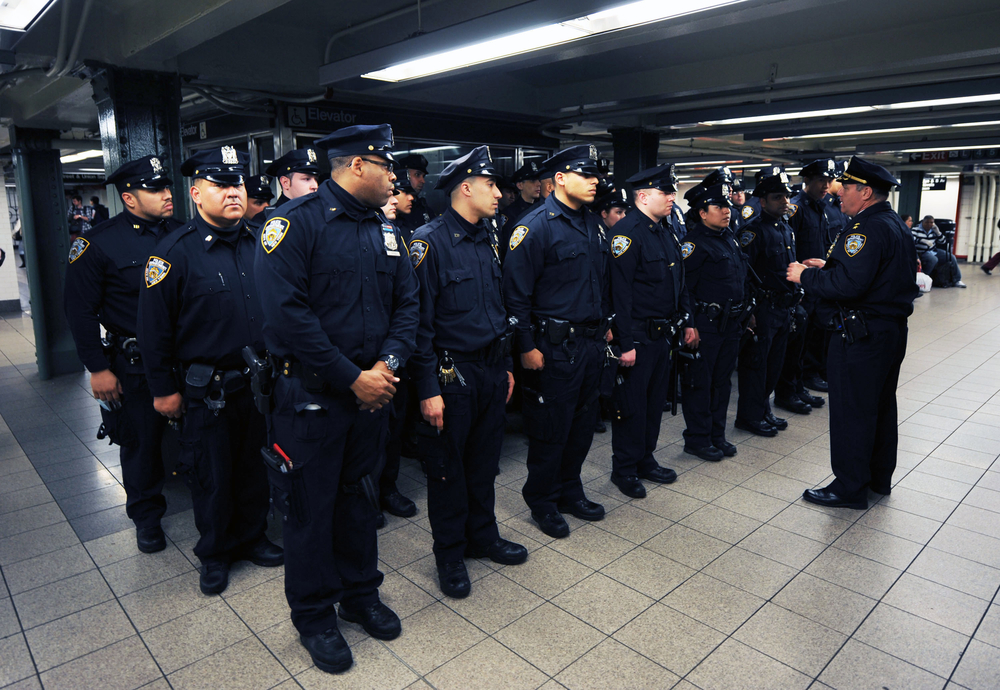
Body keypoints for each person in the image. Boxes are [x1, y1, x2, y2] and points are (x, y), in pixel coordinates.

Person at [254, 124, 419, 674]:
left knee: (359, 500)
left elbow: (407, 306)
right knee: (308, 509)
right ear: (355, 166)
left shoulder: (385, 231)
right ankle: (314, 615)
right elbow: (288, 317)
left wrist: (385, 368)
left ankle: (360, 594)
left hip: (371, 395)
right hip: (312, 398)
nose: (394, 177)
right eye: (387, 166)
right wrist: (353, 376)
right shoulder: (291, 225)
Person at [138, 146, 283, 595]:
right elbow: (153, 331)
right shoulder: (173, 254)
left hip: (260, 384)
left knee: (256, 469)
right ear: (196, 193)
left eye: (238, 183)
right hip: (209, 390)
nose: (234, 192)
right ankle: (216, 552)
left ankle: (253, 537)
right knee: (213, 475)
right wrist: (163, 390)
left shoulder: (264, 240)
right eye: (221, 184)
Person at [408, 146, 526, 598]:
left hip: (493, 368)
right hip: (450, 375)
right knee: (447, 471)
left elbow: (500, 306)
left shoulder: (490, 236)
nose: (499, 193)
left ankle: (483, 536)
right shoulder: (428, 242)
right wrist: (426, 388)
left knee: (483, 464)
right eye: (492, 185)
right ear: (466, 187)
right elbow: (418, 324)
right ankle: (450, 554)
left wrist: (509, 363)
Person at [64, 155, 182, 554]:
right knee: (142, 443)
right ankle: (146, 516)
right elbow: (79, 311)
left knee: (201, 436)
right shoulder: (98, 243)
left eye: (167, 187)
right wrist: (97, 367)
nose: (167, 195)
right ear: (129, 198)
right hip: (133, 364)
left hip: (184, 357)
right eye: (156, 189)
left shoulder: (183, 234)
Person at [787, 156, 918, 509]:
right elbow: (870, 273)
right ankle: (877, 479)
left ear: (866, 191)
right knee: (878, 406)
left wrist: (806, 276)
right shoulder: (892, 223)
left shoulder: (864, 229)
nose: (838, 193)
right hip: (888, 331)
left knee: (852, 411)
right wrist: (827, 266)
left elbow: (849, 285)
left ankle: (849, 487)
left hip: (861, 335)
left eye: (845, 188)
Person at [503, 145, 612, 539]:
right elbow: (515, 296)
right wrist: (526, 346)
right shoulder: (534, 227)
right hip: (552, 348)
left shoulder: (593, 224)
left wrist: (606, 324)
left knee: (582, 426)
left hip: (589, 343)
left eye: (596, 175)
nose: (595, 181)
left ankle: (570, 490)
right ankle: (543, 500)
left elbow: (600, 281)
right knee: (551, 430)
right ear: (561, 178)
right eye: (586, 174)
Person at [608, 164, 696, 499]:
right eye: (666, 192)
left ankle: (645, 458)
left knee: (655, 402)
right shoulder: (627, 233)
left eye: (672, 191)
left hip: (664, 334)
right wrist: (625, 342)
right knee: (632, 406)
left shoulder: (666, 230)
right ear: (643, 196)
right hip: (639, 336)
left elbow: (679, 280)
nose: (673, 197)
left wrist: (687, 321)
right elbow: (620, 293)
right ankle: (625, 468)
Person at [679, 171, 750, 461]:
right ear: (702, 212)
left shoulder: (728, 239)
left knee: (722, 383)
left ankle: (716, 435)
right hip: (705, 325)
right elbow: (684, 289)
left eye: (727, 206)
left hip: (731, 323)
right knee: (700, 384)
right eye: (719, 207)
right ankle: (697, 438)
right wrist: (690, 325)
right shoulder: (694, 245)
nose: (727, 211)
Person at [734, 167, 801, 437]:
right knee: (756, 366)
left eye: (786, 196)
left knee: (774, 364)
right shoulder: (753, 233)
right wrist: (748, 312)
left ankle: (763, 409)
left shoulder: (785, 228)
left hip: (783, 306)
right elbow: (742, 275)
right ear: (762, 202)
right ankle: (749, 417)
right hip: (762, 308)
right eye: (777, 197)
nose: (785, 202)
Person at [375, 176, 418, 526]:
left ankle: (387, 487)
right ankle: (367, 494)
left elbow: (409, 298)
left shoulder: (398, 238)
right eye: (388, 195)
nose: (393, 199)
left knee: (394, 425)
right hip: (364, 358)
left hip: (396, 351)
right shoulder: (361, 235)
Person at [500, 161, 542, 258]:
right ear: (520, 185)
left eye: (539, 180)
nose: (538, 184)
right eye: (532, 180)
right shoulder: (510, 213)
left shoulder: (542, 207)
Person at [913, 215, 966, 288]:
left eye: (931, 222)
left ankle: (957, 280)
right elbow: (912, 240)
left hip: (933, 250)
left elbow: (942, 241)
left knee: (951, 257)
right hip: (922, 252)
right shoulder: (916, 229)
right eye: (927, 222)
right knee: (933, 260)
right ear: (923, 222)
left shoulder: (933, 230)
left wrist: (938, 232)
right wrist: (922, 240)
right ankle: (925, 278)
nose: (929, 224)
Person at [395, 153, 435, 237]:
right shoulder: (392, 212)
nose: (422, 181)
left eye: (423, 176)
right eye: (417, 175)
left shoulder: (424, 208)